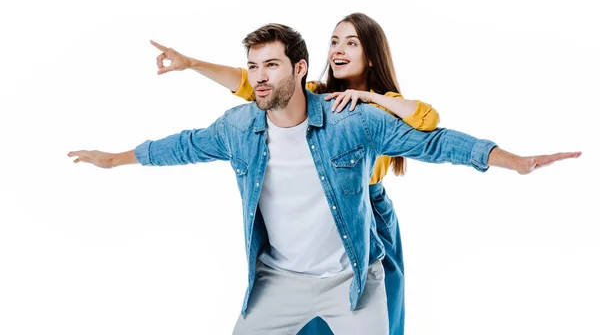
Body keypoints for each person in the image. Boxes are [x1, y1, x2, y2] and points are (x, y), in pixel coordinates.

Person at [69, 23, 580, 335]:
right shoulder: (239, 127)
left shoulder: (352, 118)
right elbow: (181, 145)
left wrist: (513, 160)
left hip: (351, 279)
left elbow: (432, 138)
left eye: (272, 64)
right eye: (254, 67)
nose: (261, 76)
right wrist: (114, 159)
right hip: (277, 283)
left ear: (299, 67)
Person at [150, 13, 440, 334]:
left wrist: (367, 97)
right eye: (333, 41)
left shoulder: (385, 106)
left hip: (368, 213)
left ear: (371, 57)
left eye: (351, 43)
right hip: (317, 206)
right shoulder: (316, 95)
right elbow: (250, 84)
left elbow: (427, 119)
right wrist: (191, 63)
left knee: (377, 304)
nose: (338, 50)